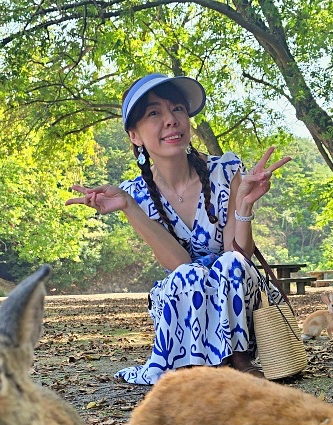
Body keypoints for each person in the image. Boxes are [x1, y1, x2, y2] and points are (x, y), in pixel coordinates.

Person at [66, 73, 290, 385]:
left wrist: (243, 206)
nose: (171, 120)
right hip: (188, 301)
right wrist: (129, 207)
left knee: (229, 264)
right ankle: (197, 370)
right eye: (154, 113)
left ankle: (239, 360)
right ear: (135, 135)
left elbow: (237, 257)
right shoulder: (136, 194)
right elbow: (179, 264)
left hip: (236, 294)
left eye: (178, 110)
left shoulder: (225, 171)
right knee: (188, 274)